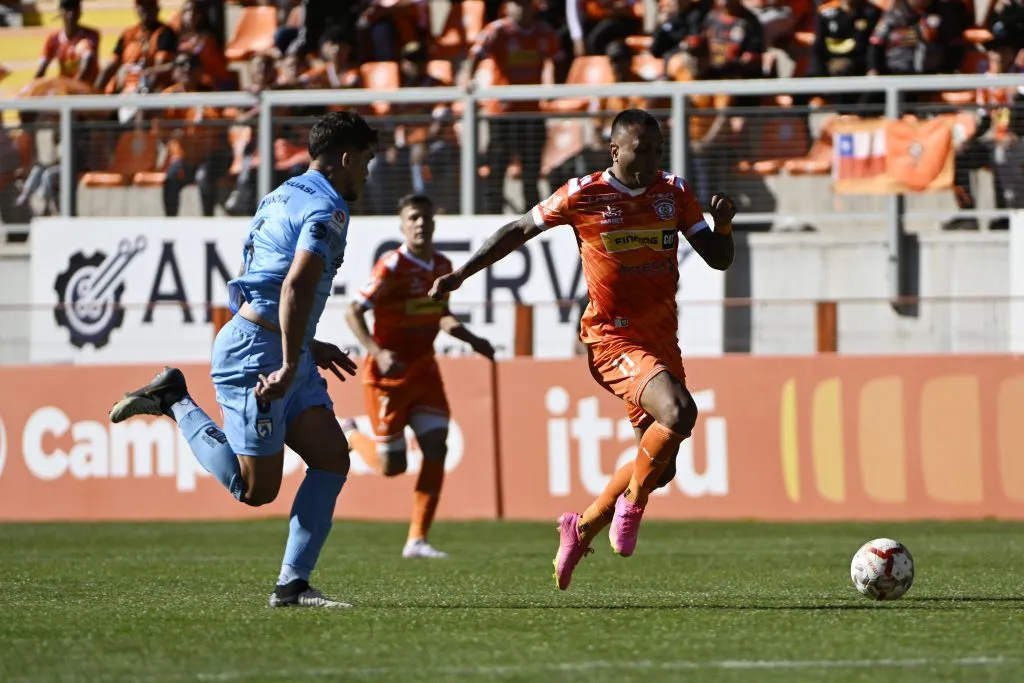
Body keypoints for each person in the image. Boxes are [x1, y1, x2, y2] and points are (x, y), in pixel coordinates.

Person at [428, 109, 736, 590]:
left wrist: (724, 225)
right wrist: (462, 274)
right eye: (642, 150)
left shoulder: (674, 193)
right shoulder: (582, 194)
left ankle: (581, 527)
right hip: (611, 338)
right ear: (615, 150)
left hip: (660, 340)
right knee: (679, 412)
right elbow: (518, 229)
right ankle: (632, 505)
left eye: (657, 150)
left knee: (662, 467)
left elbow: (717, 259)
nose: (652, 159)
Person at [108, 111, 378, 609]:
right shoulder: (329, 208)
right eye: (366, 160)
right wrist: (290, 362)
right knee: (255, 490)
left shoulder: (280, 195)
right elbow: (294, 285)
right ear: (346, 158)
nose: (367, 172)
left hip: (278, 342)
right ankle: (174, 400)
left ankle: (292, 586)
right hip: (259, 354)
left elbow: (266, 280)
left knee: (331, 458)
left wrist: (305, 344)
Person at [343, 194, 495, 559]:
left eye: (425, 217)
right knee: (392, 466)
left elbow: (441, 315)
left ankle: (417, 539)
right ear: (402, 225)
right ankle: (350, 435)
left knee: (437, 447)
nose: (420, 223)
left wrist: (473, 340)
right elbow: (353, 311)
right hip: (388, 375)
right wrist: (378, 352)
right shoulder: (392, 266)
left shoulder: (442, 265)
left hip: (424, 370)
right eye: (413, 217)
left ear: (434, 222)